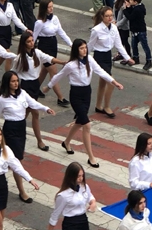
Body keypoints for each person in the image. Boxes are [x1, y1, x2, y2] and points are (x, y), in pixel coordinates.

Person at [51, 38, 122, 167]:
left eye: (85, 47)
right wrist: (48, 86)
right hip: (76, 95)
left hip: (86, 93)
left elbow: (100, 71)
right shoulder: (71, 64)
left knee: (80, 122)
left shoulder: (89, 59)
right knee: (87, 125)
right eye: (81, 48)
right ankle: (91, 157)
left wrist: (114, 82)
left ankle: (66, 142)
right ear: (76, 50)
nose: (84, 50)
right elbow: (58, 76)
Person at [0, 73, 51, 201]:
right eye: (13, 81)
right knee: (17, 160)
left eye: (17, 81)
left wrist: (45, 108)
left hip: (21, 128)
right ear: (7, 83)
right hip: (11, 130)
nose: (16, 83)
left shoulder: (22, 93)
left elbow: (33, 103)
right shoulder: (2, 99)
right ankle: (22, 191)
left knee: (18, 158)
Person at [88, 6, 133, 118]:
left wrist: (127, 57)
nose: (109, 18)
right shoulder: (96, 30)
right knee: (111, 82)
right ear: (102, 17)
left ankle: (98, 106)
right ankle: (107, 107)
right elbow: (90, 45)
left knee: (103, 82)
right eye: (107, 16)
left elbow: (118, 44)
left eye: (111, 15)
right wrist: (83, 59)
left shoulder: (113, 27)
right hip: (99, 57)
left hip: (108, 56)